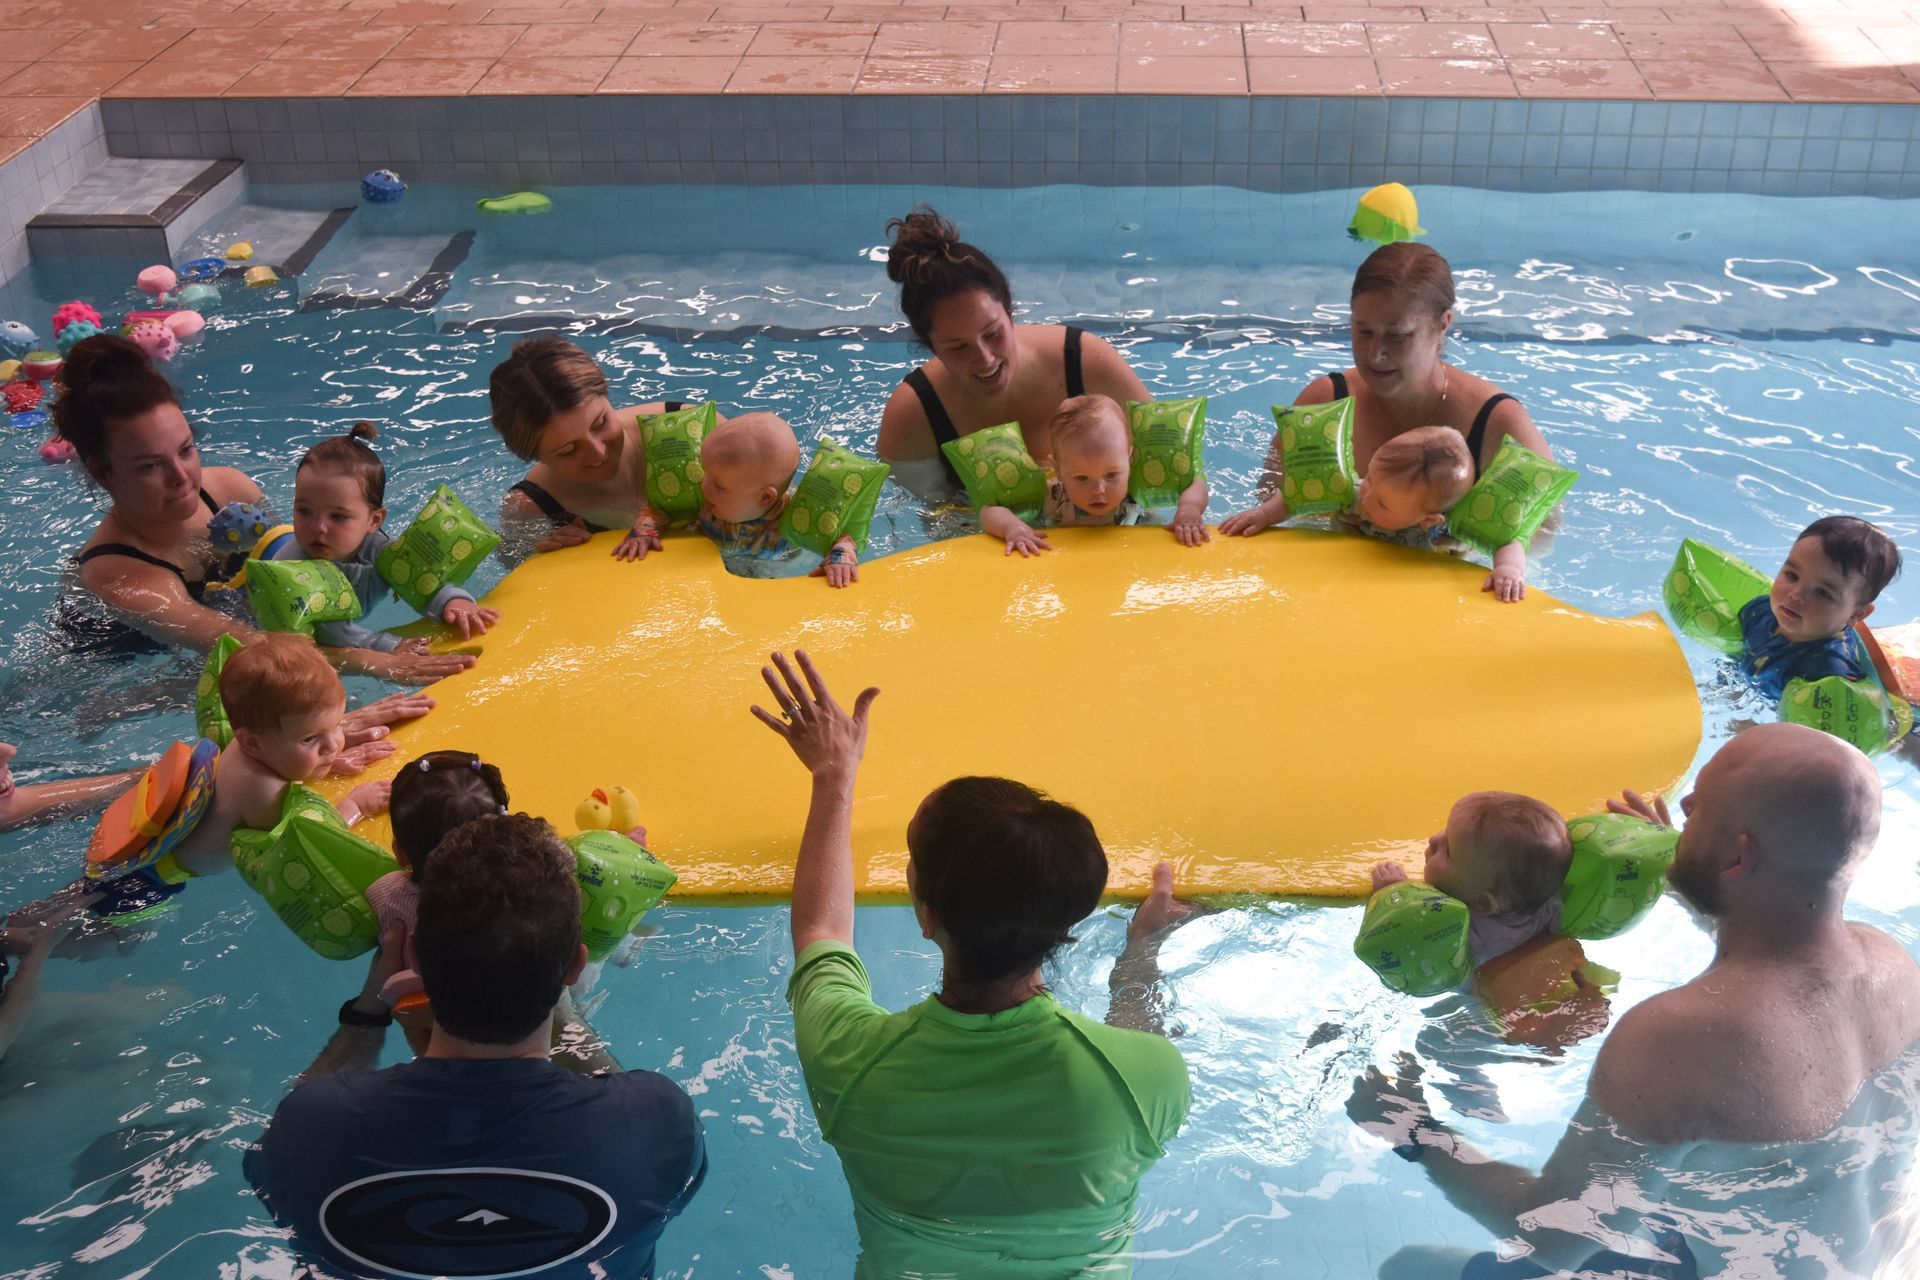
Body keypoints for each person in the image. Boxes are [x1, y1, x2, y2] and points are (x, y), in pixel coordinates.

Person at [1347, 723, 1920, 1278]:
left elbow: (1557, 1238)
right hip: (1873, 1257)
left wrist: (1415, 1132)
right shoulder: (1892, 964)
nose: (1685, 802)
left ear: (1739, 858)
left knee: (1408, 1268)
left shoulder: (1682, 1037)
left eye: (1703, 804)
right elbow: (1776, 955)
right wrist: (1690, 872)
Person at [752, 649, 1194, 1277]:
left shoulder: (849, 1060)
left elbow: (821, 929)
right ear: (1066, 921)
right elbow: (1127, 1039)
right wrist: (1141, 949)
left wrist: (834, 774)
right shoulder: (1148, 1078)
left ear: (924, 912)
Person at [249, 812, 706, 1280]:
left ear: (414, 960)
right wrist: (563, 1009)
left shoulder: (308, 1131)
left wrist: (370, 1010)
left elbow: (270, 1166)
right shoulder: (657, 1122)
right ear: (574, 967)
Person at [56, 335, 469, 683]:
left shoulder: (230, 489)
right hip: (131, 669)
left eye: (186, 450)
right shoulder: (121, 578)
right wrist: (380, 660)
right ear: (103, 474)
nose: (182, 477)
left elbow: (303, 564)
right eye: (149, 466)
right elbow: (255, 648)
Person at [1222, 243, 1554, 601]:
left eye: (1397, 336)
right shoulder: (1325, 400)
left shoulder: (1497, 422)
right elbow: (1270, 493)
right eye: (1363, 331)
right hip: (1334, 589)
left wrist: (1463, 540)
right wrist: (1325, 513)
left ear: (1443, 324)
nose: (1375, 353)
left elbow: (1542, 530)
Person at [86, 633, 396, 922]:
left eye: (338, 726)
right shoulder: (262, 791)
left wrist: (326, 763)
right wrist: (356, 805)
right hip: (146, 889)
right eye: (310, 740)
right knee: (112, 943)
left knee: (73, 904)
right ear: (253, 742)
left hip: (135, 862)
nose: (334, 745)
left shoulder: (243, 747)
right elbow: (308, 843)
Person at [878, 208, 1154, 503]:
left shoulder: (1085, 361)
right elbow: (928, 521)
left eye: (993, 333)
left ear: (1009, 313)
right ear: (931, 347)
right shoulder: (915, 414)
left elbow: (1163, 463)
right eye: (958, 347)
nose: (985, 358)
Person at [488, 336, 719, 562]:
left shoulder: (697, 431)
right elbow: (508, 562)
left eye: (600, 423)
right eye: (568, 449)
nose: (598, 453)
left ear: (606, 396)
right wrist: (535, 553)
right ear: (533, 455)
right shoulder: (534, 508)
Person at [270, 423, 500, 649]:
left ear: (374, 521)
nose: (319, 527)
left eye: (338, 517)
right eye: (304, 511)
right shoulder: (292, 566)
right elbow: (332, 634)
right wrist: (391, 645)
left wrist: (453, 600)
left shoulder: (379, 548)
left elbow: (420, 580)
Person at [980, 394, 1209, 556]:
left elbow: (1195, 482)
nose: (1099, 490)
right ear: (1058, 470)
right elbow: (990, 510)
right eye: (1081, 478)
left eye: (1111, 475)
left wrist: (1189, 510)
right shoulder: (1052, 496)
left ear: (1130, 459)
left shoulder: (1136, 490)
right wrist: (1013, 528)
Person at [1371, 791, 1573, 968]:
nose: (1433, 840)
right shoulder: (1551, 904)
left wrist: (1392, 896)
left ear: (1481, 903)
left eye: (1448, 850)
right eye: (1445, 832)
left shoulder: (1464, 934)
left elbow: (1401, 944)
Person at [1736, 515, 1900, 701]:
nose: (1795, 595)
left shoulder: (1828, 673)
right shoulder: (1759, 611)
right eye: (1792, 575)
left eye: (1822, 593)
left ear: (1857, 613)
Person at [691, 412, 859, 586]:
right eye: (705, 473)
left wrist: (840, 556)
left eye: (719, 486)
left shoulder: (798, 519)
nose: (704, 487)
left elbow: (844, 537)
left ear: (765, 497)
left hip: (769, 573)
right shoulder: (708, 499)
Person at [1336, 425, 1475, 553]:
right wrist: (1343, 518)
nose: (1366, 497)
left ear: (1428, 519)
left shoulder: (1439, 530)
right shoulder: (1353, 495)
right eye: (1369, 478)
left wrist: (1458, 545)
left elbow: (1470, 546)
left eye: (1382, 504)